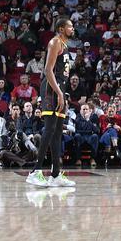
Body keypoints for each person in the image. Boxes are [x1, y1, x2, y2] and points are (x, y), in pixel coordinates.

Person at [25, 18, 76, 187]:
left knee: (58, 132)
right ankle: (35, 172)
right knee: (49, 129)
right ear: (61, 29)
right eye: (70, 26)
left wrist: (62, 93)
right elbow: (48, 70)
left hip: (60, 89)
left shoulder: (65, 45)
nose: (73, 28)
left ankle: (55, 175)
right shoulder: (55, 42)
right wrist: (59, 93)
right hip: (51, 90)